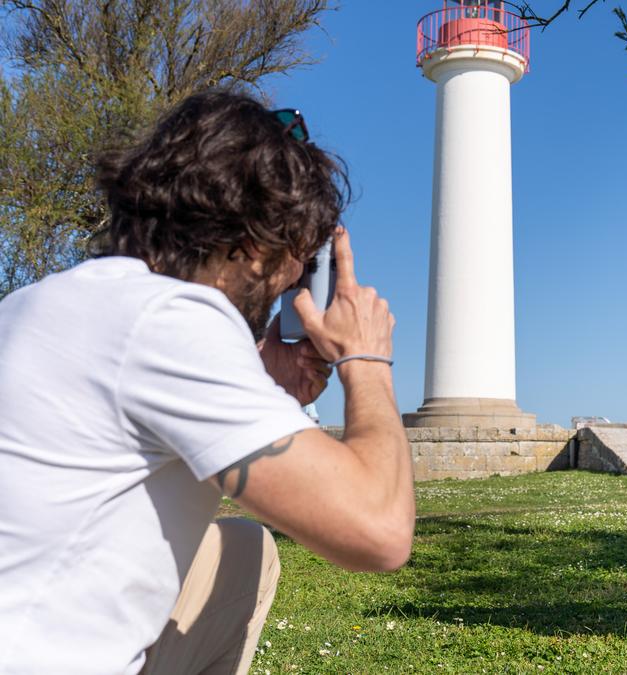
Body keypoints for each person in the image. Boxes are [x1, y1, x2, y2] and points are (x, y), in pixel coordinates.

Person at [0, 91, 416, 674]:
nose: (294, 277)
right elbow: (379, 531)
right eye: (295, 251)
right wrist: (367, 360)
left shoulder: (43, 303)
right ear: (250, 244)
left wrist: (261, 378)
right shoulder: (169, 319)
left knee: (242, 552)